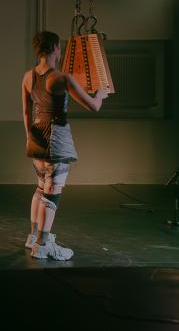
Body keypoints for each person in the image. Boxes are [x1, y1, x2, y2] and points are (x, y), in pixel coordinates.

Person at [21, 31, 108, 260]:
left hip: (37, 135)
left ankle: (34, 237)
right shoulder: (61, 78)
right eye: (60, 47)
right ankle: (42, 245)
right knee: (52, 192)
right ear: (55, 49)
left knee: (41, 188)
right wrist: (100, 93)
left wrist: (30, 136)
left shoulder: (28, 77)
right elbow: (94, 106)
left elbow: (26, 112)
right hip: (55, 138)